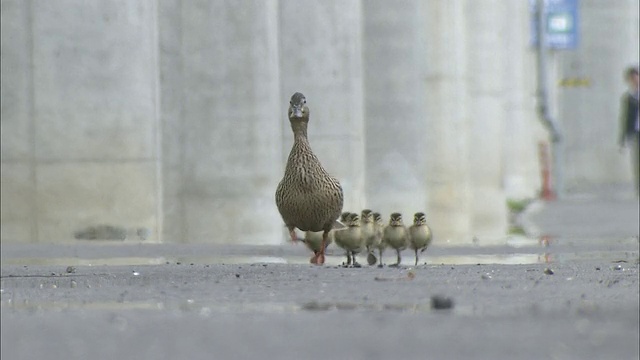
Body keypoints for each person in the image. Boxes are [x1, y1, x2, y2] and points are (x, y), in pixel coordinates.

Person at [619, 66, 639, 196]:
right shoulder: (628, 97)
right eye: (632, 78)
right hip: (636, 132)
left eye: (636, 77)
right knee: (637, 162)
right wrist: (622, 138)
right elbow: (624, 117)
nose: (635, 80)